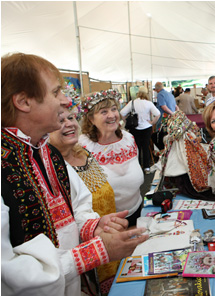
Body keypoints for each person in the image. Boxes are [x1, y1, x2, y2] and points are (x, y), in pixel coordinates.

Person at [1, 52, 147, 295]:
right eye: (56, 92)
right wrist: (95, 252)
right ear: (24, 102)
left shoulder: (49, 153)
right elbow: (7, 273)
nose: (66, 101)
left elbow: (76, 208)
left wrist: (94, 225)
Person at [49, 106, 120, 294]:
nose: (69, 124)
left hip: (108, 238)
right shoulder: (51, 169)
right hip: (83, 256)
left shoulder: (84, 154)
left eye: (71, 118)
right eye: (60, 120)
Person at [78, 90, 144, 227]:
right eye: (103, 112)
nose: (112, 115)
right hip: (108, 222)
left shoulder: (128, 139)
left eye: (114, 109)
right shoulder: (84, 147)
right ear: (91, 119)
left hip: (138, 211)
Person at [120, 86, 161, 174]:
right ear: (146, 93)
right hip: (146, 127)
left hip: (134, 128)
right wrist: (152, 122)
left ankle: (137, 167)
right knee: (145, 147)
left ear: (138, 93)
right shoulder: (149, 103)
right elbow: (158, 114)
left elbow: (122, 113)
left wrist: (126, 121)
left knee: (136, 147)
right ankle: (146, 167)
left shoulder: (132, 103)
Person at [152, 81, 178, 150]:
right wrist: (175, 114)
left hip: (163, 119)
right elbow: (176, 107)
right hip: (171, 120)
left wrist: (171, 114)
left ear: (157, 89)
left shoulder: (160, 94)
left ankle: (161, 152)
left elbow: (163, 107)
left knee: (160, 137)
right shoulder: (170, 94)